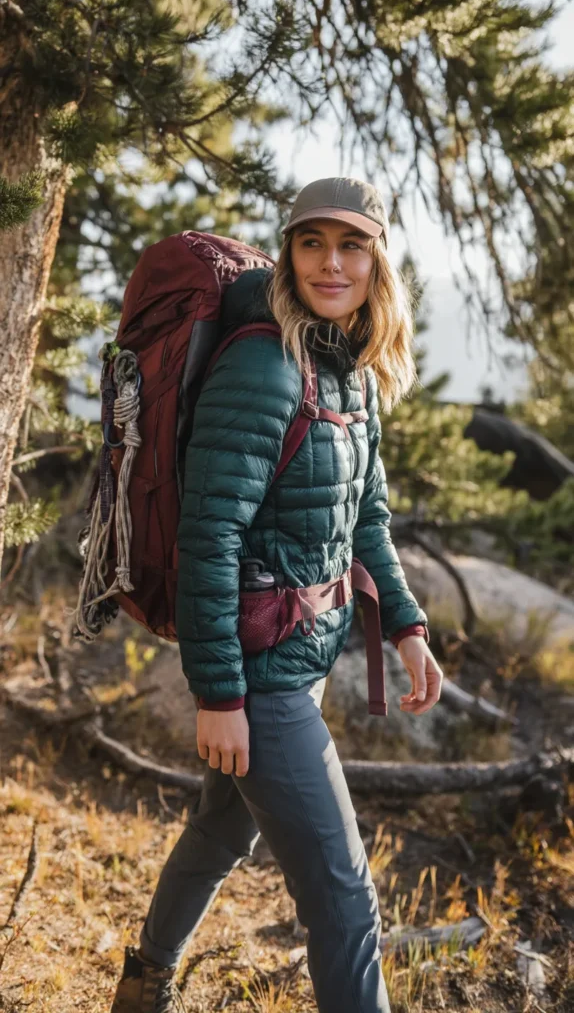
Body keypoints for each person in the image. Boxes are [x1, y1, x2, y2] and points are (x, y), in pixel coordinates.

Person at [110, 177, 443, 1013]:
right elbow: (208, 536)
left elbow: (366, 515)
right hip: (260, 674)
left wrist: (405, 624)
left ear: (378, 261)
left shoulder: (349, 369)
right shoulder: (265, 364)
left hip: (297, 653)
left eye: (352, 245)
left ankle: (144, 984)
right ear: (289, 251)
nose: (332, 262)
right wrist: (218, 692)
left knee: (222, 829)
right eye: (312, 243)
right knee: (344, 899)